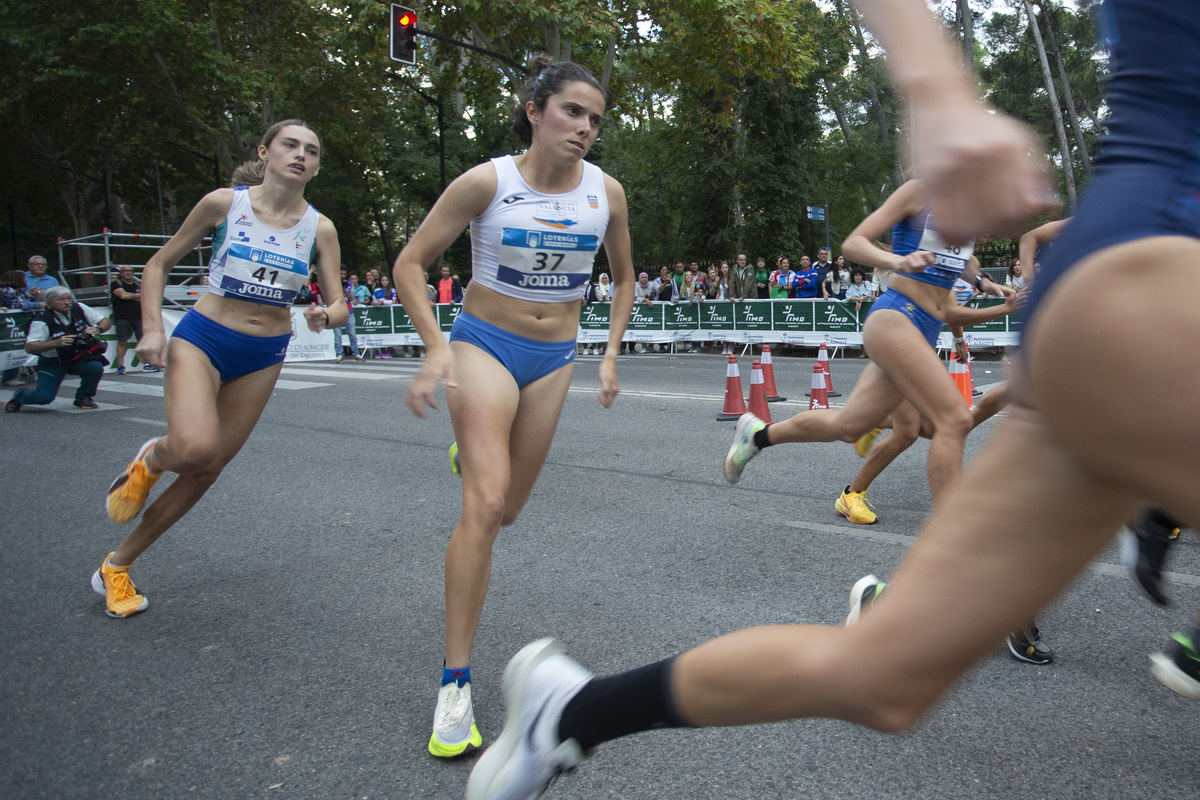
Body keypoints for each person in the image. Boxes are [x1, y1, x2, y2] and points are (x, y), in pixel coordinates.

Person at [466, 1, 1200, 797]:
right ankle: (1149, 503)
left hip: (1095, 310)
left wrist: (1000, 309)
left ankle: (573, 711)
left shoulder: (968, 242)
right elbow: (860, 246)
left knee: (884, 680)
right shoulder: (929, 200)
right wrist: (936, 92)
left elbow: (958, 306)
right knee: (948, 418)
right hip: (1137, 275)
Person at [390, 56, 634, 760]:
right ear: (535, 110)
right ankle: (455, 683)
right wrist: (436, 348)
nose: (584, 128)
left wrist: (610, 352)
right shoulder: (486, 182)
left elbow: (621, 280)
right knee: (485, 504)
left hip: (553, 359)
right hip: (483, 347)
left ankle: (474, 446)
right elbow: (411, 263)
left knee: (511, 508)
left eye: (594, 119)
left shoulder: (606, 194)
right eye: (571, 112)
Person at [93, 119, 346, 620]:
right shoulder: (223, 204)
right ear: (265, 151)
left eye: (311, 151)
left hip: (265, 352)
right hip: (204, 338)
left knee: (207, 470)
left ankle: (116, 567)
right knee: (193, 447)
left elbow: (339, 305)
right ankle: (154, 457)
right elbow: (158, 265)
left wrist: (324, 314)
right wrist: (151, 329)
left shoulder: (320, 228)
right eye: (290, 145)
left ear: (316, 168)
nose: (300, 154)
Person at [725, 177, 1010, 505]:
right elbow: (854, 244)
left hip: (919, 335)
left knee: (850, 427)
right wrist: (898, 261)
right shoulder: (921, 193)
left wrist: (991, 288)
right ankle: (955, 537)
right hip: (896, 320)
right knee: (955, 420)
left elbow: (956, 292)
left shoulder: (964, 235)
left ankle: (757, 436)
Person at [3, 285, 111, 412]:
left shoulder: (79, 308)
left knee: (95, 367)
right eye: (61, 299)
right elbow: (30, 347)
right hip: (53, 362)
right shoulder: (42, 320)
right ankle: (20, 396)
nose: (66, 302)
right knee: (43, 398)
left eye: (68, 298)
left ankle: (84, 397)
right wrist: (56, 343)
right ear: (50, 302)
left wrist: (99, 329)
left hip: (78, 357)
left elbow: (106, 321)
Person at [109, 265, 158, 375]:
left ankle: (146, 363)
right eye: (125, 271)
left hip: (139, 317)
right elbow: (123, 296)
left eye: (130, 271)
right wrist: (138, 295)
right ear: (121, 273)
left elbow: (145, 298)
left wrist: (134, 296)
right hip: (122, 317)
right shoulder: (116, 284)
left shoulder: (137, 284)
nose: (128, 273)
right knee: (122, 341)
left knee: (142, 340)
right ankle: (120, 366)